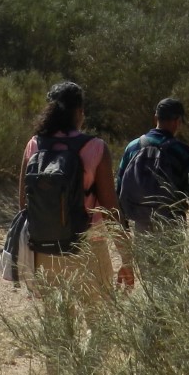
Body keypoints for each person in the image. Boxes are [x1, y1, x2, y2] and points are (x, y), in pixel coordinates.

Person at [19, 81, 130, 299]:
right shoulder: (96, 147)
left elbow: (24, 203)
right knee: (99, 322)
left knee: (57, 324)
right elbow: (110, 208)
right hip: (89, 247)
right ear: (79, 111)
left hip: (45, 248)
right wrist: (126, 257)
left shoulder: (34, 145)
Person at [115, 96, 189, 231]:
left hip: (141, 222)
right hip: (172, 224)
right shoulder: (183, 151)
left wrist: (122, 221)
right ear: (177, 122)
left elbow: (120, 185)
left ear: (155, 119)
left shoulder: (133, 147)